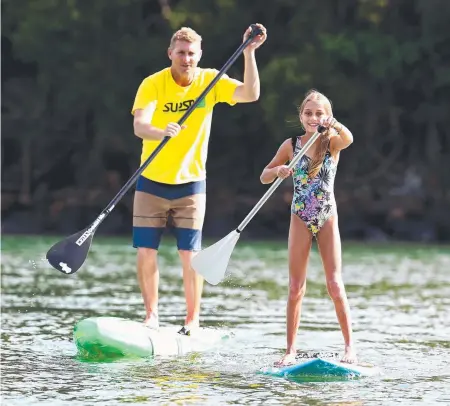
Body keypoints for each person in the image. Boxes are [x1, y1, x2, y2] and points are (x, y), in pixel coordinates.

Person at [131, 25, 267, 335]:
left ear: (199, 55)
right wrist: (159, 132)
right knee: (145, 251)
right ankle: (151, 316)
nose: (186, 58)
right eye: (180, 52)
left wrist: (249, 54)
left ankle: (192, 320)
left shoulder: (210, 81)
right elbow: (140, 125)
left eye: (191, 53)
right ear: (170, 54)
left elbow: (250, 93)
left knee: (190, 255)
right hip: (151, 179)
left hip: (192, 184)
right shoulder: (152, 84)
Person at [260, 89, 357, 365]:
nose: (313, 117)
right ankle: (290, 350)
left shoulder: (332, 143)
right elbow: (264, 176)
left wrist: (334, 124)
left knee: (335, 285)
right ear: (301, 116)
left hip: (327, 217)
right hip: (299, 218)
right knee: (295, 287)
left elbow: (349, 139)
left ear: (326, 116)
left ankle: (350, 348)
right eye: (309, 113)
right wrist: (278, 171)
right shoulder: (291, 145)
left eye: (319, 113)